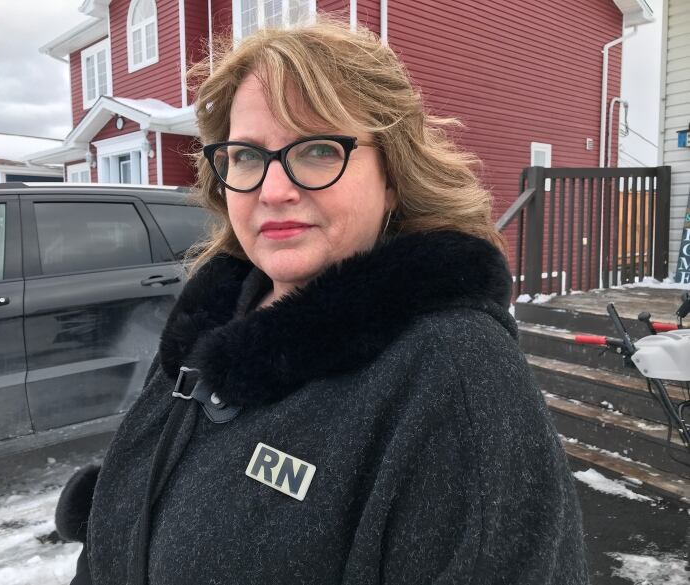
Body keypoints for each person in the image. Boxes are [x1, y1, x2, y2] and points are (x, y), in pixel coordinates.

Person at [56, 18, 588, 585]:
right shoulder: (206, 329)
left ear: (393, 175)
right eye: (245, 156)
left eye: (315, 149)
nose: (274, 189)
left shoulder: (454, 377)